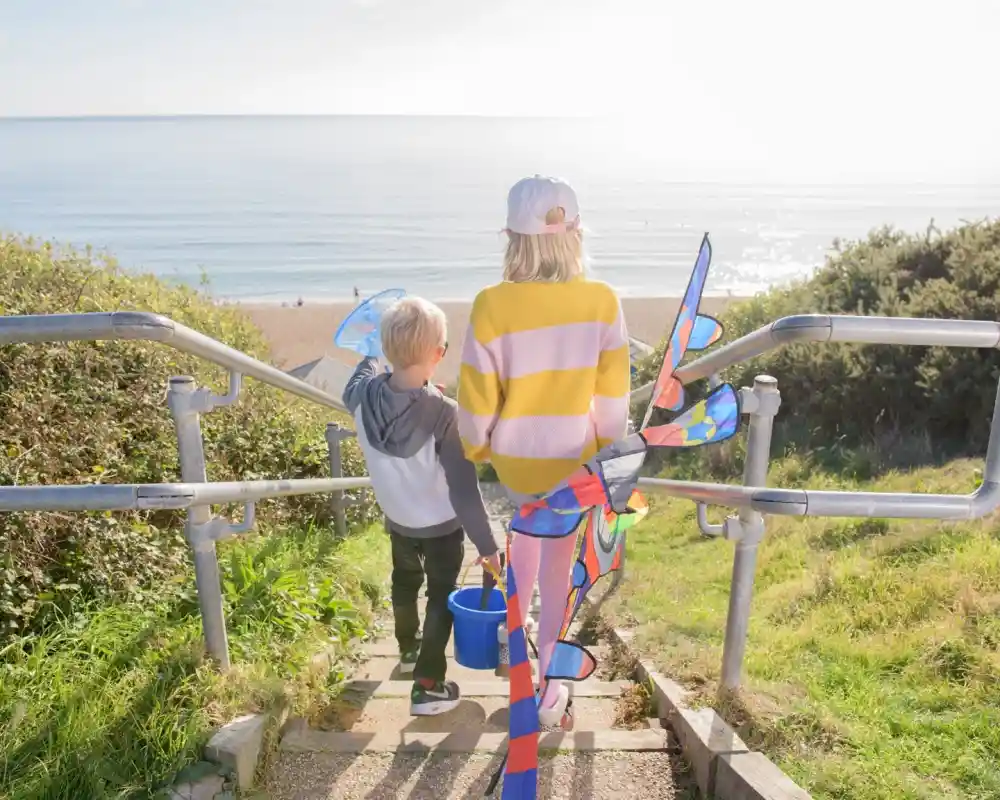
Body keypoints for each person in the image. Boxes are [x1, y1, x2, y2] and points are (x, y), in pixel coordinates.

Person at [456, 175, 630, 725]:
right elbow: (613, 403)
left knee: (523, 544)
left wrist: (478, 447)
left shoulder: (490, 305)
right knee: (560, 565)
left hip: (517, 461)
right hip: (573, 460)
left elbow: (476, 397)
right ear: (574, 233)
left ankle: (517, 647)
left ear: (511, 237)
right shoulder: (602, 301)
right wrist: (599, 452)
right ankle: (553, 681)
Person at [343, 296, 502, 716]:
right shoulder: (446, 415)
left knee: (404, 581)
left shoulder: (360, 397)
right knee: (440, 595)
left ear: (388, 350)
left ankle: (408, 648)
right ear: (436, 355)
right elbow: (464, 490)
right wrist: (488, 546)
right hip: (440, 526)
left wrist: (371, 356)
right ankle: (427, 686)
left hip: (398, 519)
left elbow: (358, 379)